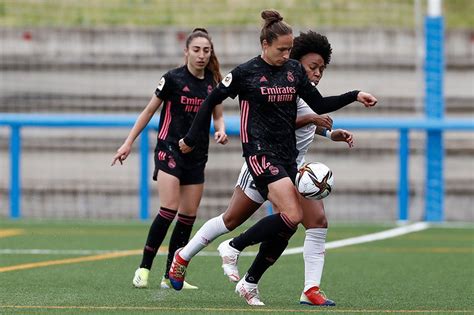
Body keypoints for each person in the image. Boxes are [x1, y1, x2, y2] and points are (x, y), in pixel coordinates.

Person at [169, 10, 377, 304]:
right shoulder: (246, 73)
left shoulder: (292, 73)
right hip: (259, 155)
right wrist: (191, 138)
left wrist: (354, 96)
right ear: (265, 44)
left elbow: (317, 106)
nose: (287, 55)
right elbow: (214, 100)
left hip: (289, 161)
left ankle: (279, 285)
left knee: (303, 222)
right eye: (282, 49)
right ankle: (217, 250)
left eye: (290, 49)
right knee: (253, 218)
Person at [111, 28, 228, 290]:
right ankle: (144, 268)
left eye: (206, 51)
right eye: (196, 50)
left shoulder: (213, 83)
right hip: (169, 150)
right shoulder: (172, 79)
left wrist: (220, 129)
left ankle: (171, 275)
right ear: (186, 51)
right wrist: (128, 143)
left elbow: (218, 115)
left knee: (188, 216)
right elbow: (149, 111)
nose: (201, 55)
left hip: (197, 155)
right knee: (169, 209)